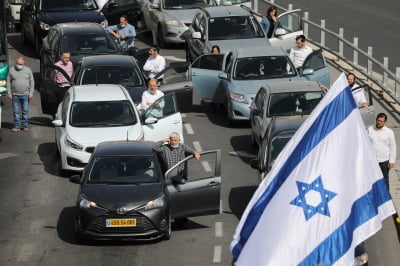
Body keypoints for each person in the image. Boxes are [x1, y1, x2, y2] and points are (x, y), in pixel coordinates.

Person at [368, 113, 397, 189]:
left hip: (384, 160)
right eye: (378, 120)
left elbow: (393, 147)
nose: (379, 122)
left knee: (384, 180)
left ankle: (386, 197)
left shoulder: (389, 132)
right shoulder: (370, 129)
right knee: (373, 180)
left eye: (381, 121)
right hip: (373, 160)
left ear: (385, 122)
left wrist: (392, 161)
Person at [6, 56, 35, 132]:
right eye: (18, 64)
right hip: (15, 95)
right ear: (16, 63)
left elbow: (32, 82)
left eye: (21, 64)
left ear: (23, 63)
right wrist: (9, 93)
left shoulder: (28, 70)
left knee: (25, 111)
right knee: (16, 111)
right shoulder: (11, 70)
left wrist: (31, 93)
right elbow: (8, 82)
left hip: (25, 95)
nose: (19, 65)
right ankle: (16, 126)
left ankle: (25, 125)